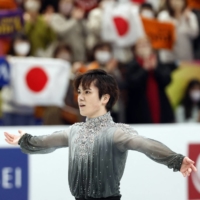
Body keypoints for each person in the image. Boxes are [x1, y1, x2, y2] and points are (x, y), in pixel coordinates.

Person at [4, 69, 197, 200]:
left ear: (105, 98)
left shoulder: (117, 132)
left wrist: (176, 160)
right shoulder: (75, 131)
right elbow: (44, 143)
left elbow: (145, 144)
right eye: (79, 91)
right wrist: (24, 140)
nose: (80, 97)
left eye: (87, 92)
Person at [125, 37, 175, 124]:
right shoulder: (131, 65)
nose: (144, 47)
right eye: (141, 45)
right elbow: (132, 84)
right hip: (139, 111)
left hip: (161, 108)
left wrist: (155, 69)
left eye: (146, 45)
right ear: (135, 50)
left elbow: (167, 80)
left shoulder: (158, 62)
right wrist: (144, 69)